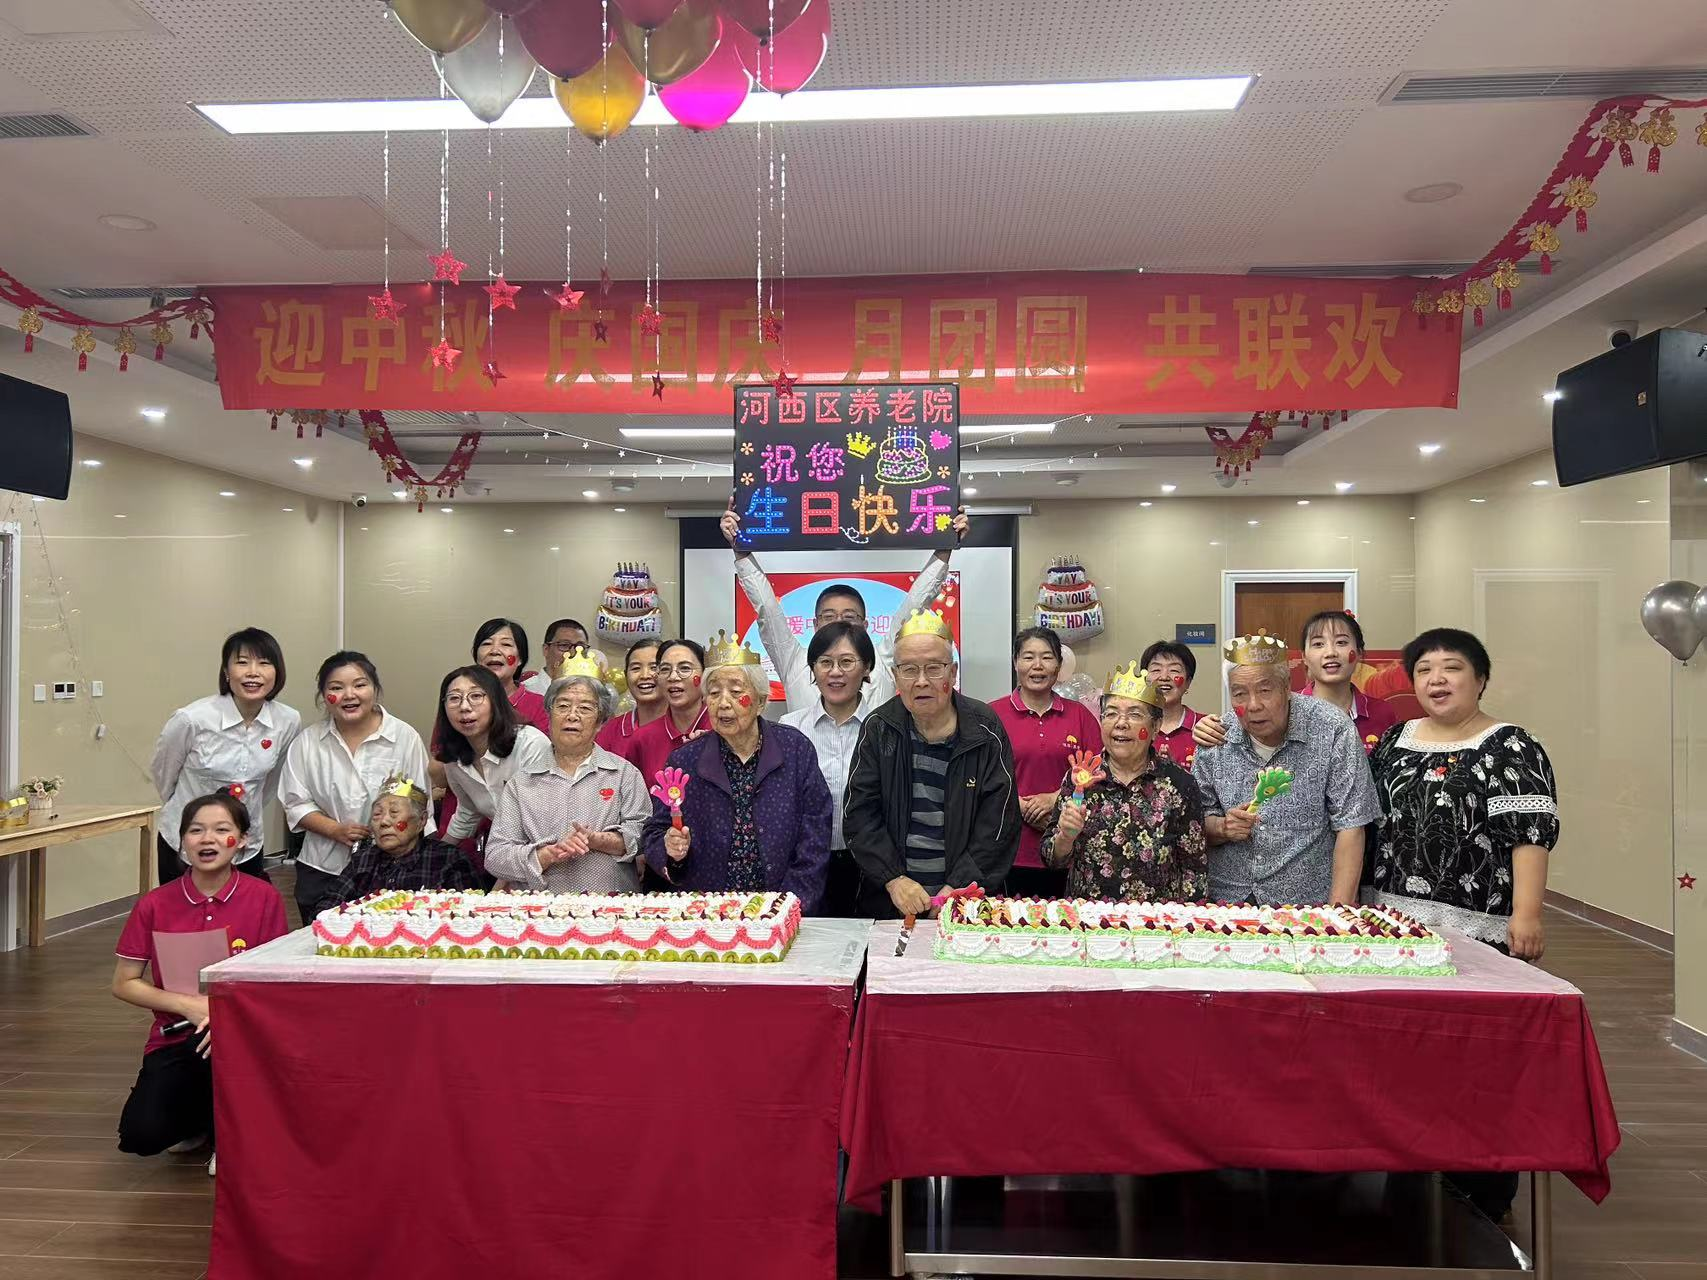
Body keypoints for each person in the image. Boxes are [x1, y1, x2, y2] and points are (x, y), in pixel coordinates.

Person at [113, 789, 289, 1174]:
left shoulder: (264, 898)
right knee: (141, 1134)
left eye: (222, 829)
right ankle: (198, 1124)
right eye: (196, 830)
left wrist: (227, 1017)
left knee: (225, 1053)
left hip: (243, 1031)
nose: (208, 839)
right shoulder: (154, 903)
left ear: (242, 840)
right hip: (176, 1033)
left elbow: (273, 979)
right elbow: (124, 983)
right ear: (182, 841)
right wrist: (189, 1005)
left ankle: (232, 1136)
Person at [1368, 628, 1558, 957]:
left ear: (1480, 680)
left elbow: (1529, 837)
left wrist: (1527, 915)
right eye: (1424, 670)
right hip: (1390, 918)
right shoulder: (1394, 739)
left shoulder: (1511, 745)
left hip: (1478, 922)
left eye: (1452, 668)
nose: (1436, 679)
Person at [843, 609, 1020, 918]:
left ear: (953, 673)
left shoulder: (985, 729)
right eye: (909, 670)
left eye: (934, 668)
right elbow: (859, 814)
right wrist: (894, 879)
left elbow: (1000, 820)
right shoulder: (879, 728)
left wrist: (958, 886)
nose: (921, 681)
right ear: (896, 676)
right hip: (890, 902)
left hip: (967, 902)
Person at [720, 500, 971, 714]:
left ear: (865, 625)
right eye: (829, 616)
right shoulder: (794, 662)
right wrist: (740, 551)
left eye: (849, 617)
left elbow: (916, 603)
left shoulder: (883, 660)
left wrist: (945, 547)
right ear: (815, 624)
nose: (839, 623)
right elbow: (767, 609)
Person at [642, 634, 832, 912]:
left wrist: (789, 904)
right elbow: (655, 831)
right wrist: (670, 850)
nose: (723, 703)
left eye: (735, 691)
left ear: (761, 702)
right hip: (709, 911)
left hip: (784, 907)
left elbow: (815, 832)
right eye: (714, 693)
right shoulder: (685, 760)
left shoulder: (795, 749)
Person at [1191, 633, 1379, 905]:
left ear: (1287, 686)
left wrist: (1337, 913)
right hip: (1229, 905)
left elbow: (1351, 825)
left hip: (1307, 906)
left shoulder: (1333, 729)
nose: (1253, 705)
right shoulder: (1216, 738)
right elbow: (1196, 822)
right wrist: (1222, 827)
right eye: (1239, 693)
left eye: (1265, 690)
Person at [279, 651, 433, 928]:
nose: (349, 695)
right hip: (323, 866)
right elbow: (295, 803)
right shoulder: (308, 742)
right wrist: (334, 830)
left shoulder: (403, 737)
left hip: (393, 868)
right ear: (324, 695)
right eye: (336, 688)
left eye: (360, 685)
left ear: (375, 689)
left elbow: (420, 803)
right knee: (320, 942)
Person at [1040, 663, 1208, 902]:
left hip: (1157, 920)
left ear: (1155, 726)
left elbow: (1194, 870)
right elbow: (1051, 859)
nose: (1121, 723)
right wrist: (1065, 837)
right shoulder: (1081, 777)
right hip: (1090, 917)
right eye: (1111, 714)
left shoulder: (1180, 784)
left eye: (1135, 714)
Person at [151, 628, 300, 887]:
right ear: (226, 672)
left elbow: (271, 781)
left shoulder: (288, 720)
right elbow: (163, 774)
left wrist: (243, 812)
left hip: (245, 842)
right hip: (188, 841)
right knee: (183, 911)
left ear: (277, 672)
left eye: (264, 663)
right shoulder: (192, 719)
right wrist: (192, 810)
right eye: (242, 662)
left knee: (244, 910)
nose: (253, 672)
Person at [486, 666, 652, 893]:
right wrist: (547, 854)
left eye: (585, 708)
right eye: (563, 706)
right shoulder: (521, 783)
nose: (572, 715)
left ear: (600, 722)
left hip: (612, 907)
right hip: (541, 908)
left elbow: (644, 835)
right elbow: (496, 856)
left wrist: (596, 839)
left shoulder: (624, 774)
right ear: (549, 715)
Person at [1192, 610, 1398, 756]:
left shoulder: (1383, 713)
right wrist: (1206, 728)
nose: (1330, 652)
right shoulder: (1282, 709)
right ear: (1304, 657)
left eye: (1341, 642)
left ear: (1359, 652)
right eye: (1318, 644)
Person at [993, 626, 1103, 898]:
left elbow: (1100, 772)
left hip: (1067, 849)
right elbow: (981, 776)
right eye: (1028, 657)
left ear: (1059, 665)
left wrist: (1056, 798)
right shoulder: (992, 715)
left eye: (1047, 657)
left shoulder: (1080, 716)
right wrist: (1017, 803)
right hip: (1008, 850)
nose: (1038, 665)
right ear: (1015, 662)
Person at [780, 622, 877, 917]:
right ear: (813, 669)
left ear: (866, 667)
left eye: (846, 662)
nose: (835, 672)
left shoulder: (883, 728)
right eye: (825, 662)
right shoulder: (789, 729)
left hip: (871, 866)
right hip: (805, 864)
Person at [430, 664, 554, 881]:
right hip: (506, 858)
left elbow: (538, 822)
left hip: (551, 854)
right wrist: (434, 858)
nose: (464, 707)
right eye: (454, 698)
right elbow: (468, 810)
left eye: (476, 696)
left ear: (496, 701)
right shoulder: (454, 759)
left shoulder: (530, 744)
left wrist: (502, 883)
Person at [313, 773, 480, 913]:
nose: (384, 822)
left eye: (394, 813)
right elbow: (325, 909)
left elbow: (469, 914)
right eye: (377, 814)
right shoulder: (363, 861)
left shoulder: (448, 859)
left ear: (421, 820)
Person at [624, 638, 709, 783]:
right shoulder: (642, 738)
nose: (673, 677)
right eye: (664, 669)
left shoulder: (722, 730)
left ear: (705, 675)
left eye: (685, 669)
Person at [471, 617, 550, 734]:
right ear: (476, 655)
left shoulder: (539, 705)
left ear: (520, 658)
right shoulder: (461, 700)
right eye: (487, 643)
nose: (494, 651)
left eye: (506, 644)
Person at [594, 637, 668, 757]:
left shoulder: (685, 726)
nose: (644, 675)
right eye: (636, 668)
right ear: (626, 675)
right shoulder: (610, 731)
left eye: (654, 668)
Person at [1141, 640, 1205, 770]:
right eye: (1156, 669)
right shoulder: (1133, 727)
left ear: (1188, 682)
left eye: (1174, 670)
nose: (1164, 677)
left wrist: (1176, 771)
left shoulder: (1205, 727)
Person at [521, 617, 594, 697]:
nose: (572, 653)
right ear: (546, 650)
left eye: (580, 647)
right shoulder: (525, 692)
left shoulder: (593, 692)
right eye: (564, 645)